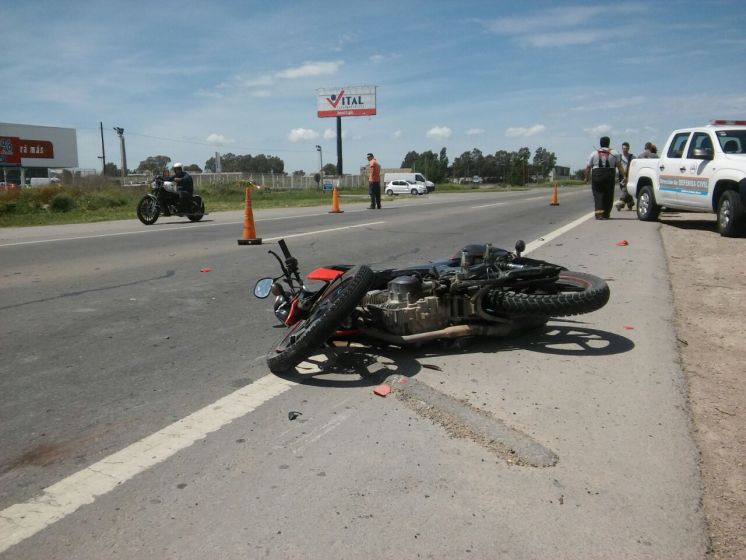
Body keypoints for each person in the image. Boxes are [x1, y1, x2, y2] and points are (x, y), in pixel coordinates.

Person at [584, 136, 626, 220]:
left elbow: (588, 167)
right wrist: (625, 176)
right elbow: (619, 166)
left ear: (600, 143)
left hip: (596, 175)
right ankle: (606, 214)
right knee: (609, 195)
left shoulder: (594, 153)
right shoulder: (614, 153)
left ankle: (599, 214)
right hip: (609, 175)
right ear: (609, 143)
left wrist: (586, 177)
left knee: (598, 194)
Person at [614, 142, 635, 211]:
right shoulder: (619, 157)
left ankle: (621, 202)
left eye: (626, 148)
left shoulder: (632, 157)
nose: (625, 150)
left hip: (629, 175)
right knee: (625, 189)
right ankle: (630, 203)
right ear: (622, 149)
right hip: (621, 176)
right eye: (624, 148)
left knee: (625, 189)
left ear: (628, 148)